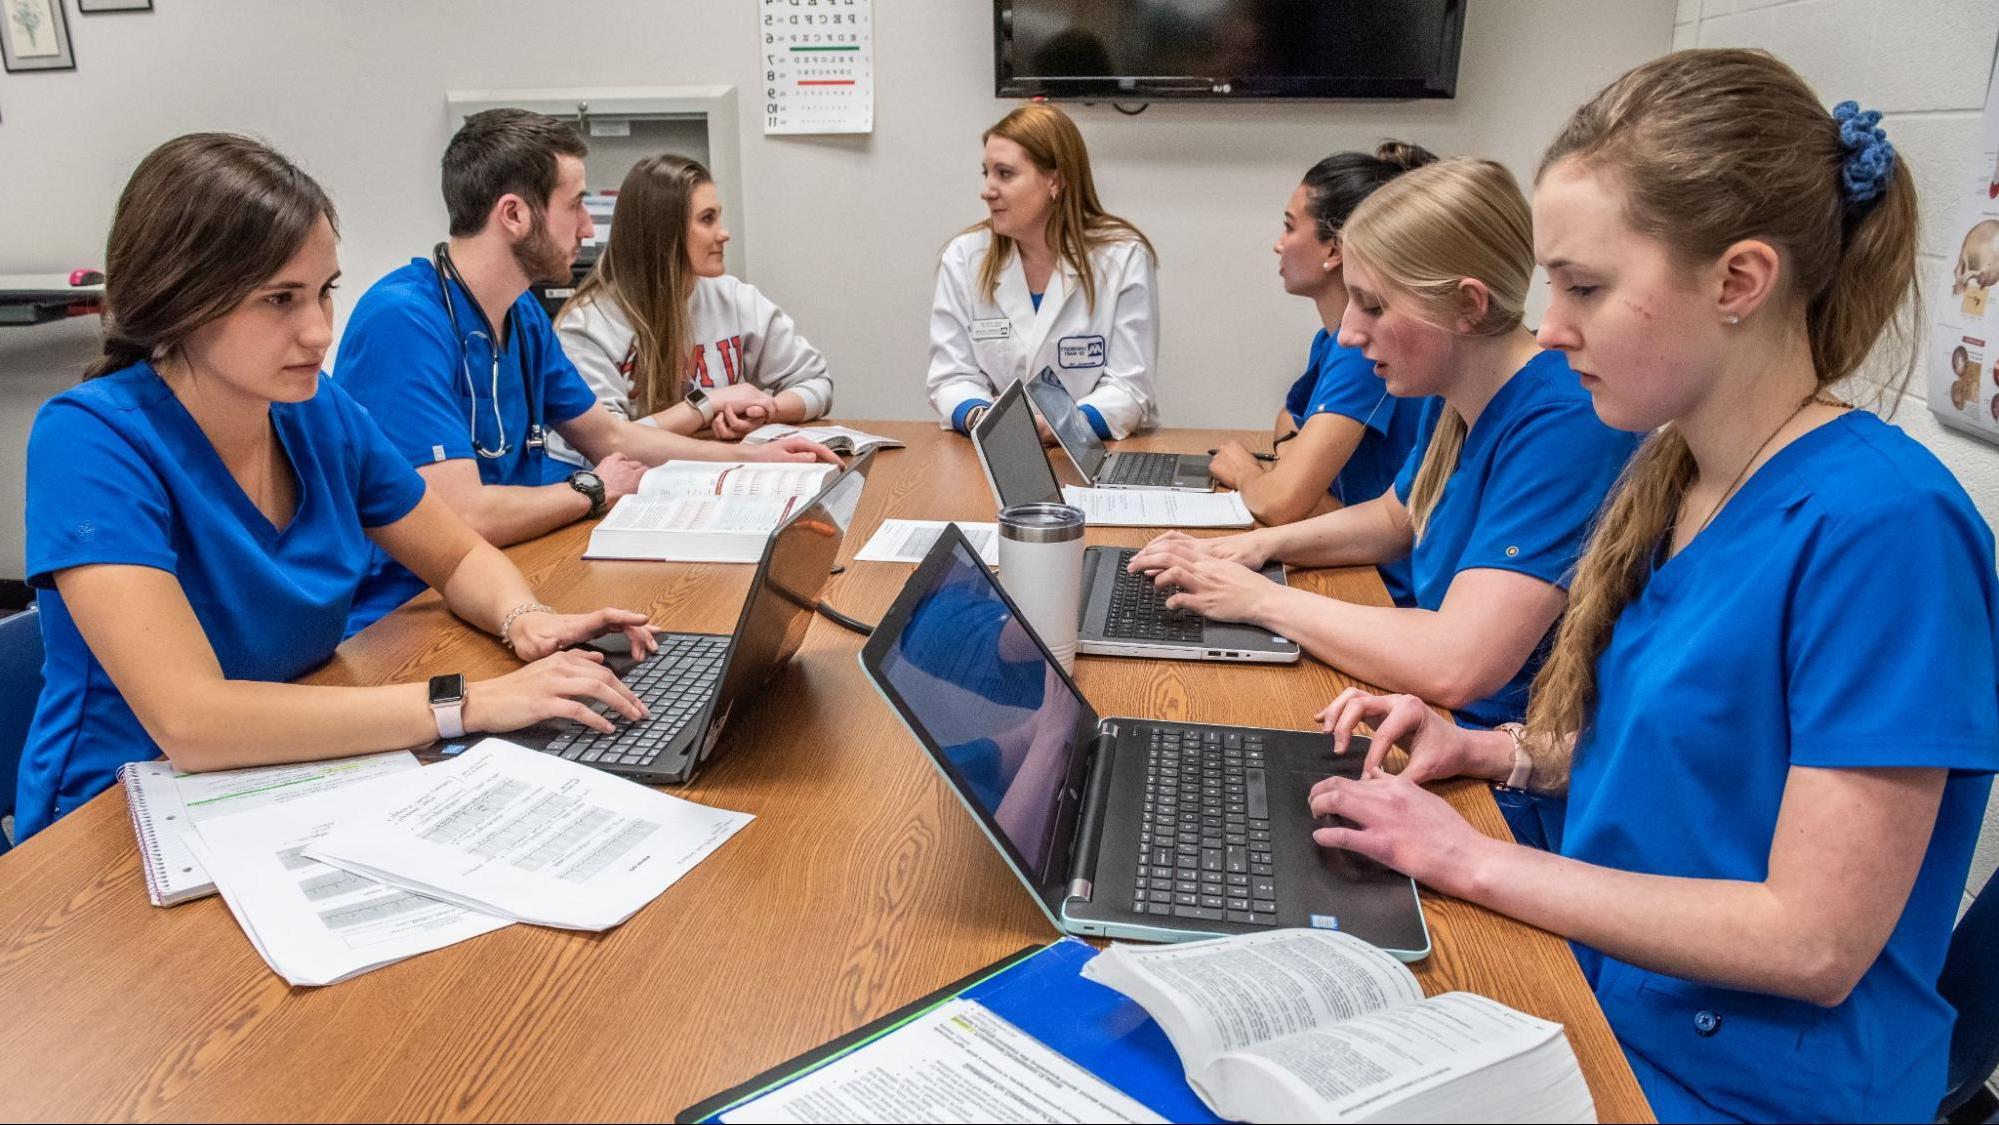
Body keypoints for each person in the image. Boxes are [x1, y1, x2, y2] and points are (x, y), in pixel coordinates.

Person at [1309, 50, 1997, 1123]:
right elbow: (1702, 759)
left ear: (1738, 281)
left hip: (1747, 1087)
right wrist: (1493, 751)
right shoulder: (1682, 473)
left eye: (1585, 287)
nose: (1552, 328)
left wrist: (1469, 861)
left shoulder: (1886, 528)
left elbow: (1812, 940)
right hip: (1608, 999)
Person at [17, 134, 664, 841]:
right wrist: (467, 702)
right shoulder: (90, 440)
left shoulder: (316, 412)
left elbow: (456, 556)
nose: (319, 329)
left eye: (324, 291)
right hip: (120, 817)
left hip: (292, 770)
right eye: (279, 300)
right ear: (181, 298)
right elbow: (193, 722)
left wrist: (523, 618)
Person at [1130, 159, 1641, 737]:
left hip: (1483, 742)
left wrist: (1258, 599)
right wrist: (1253, 549)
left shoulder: (1566, 423)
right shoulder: (1461, 393)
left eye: (1373, 305)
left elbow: (1459, 663)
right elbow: (1398, 516)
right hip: (1430, 706)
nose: (1347, 332)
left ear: (1468, 305)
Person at [335, 110, 834, 634]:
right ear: (513, 215)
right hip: (405, 614)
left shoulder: (522, 315)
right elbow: (462, 516)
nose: (589, 228)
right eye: (575, 206)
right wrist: (591, 489)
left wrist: (752, 457)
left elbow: (612, 436)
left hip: (514, 577)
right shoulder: (402, 322)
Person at [1213, 143, 1442, 603]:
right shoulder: (1334, 340)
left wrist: (1246, 472)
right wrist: (1288, 466)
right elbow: (1287, 420)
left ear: (1335, 249)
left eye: (1289, 226)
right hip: (1347, 550)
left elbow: (1282, 504)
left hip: (1378, 580)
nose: (1279, 243)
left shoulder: (1360, 353)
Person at [548, 153, 834, 467]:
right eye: (707, 219)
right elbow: (604, 446)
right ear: (663, 233)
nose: (723, 233)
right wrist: (705, 405)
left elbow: (817, 383)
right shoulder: (589, 325)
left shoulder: (735, 298)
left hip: (717, 475)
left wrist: (763, 410)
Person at [927, 103, 1158, 439]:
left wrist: (1062, 426)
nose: (987, 190)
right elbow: (951, 375)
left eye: (1004, 174)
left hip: (1096, 451)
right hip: (998, 450)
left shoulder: (1123, 257)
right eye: (986, 172)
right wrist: (982, 417)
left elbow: (1130, 387)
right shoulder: (964, 257)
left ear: (1056, 180)